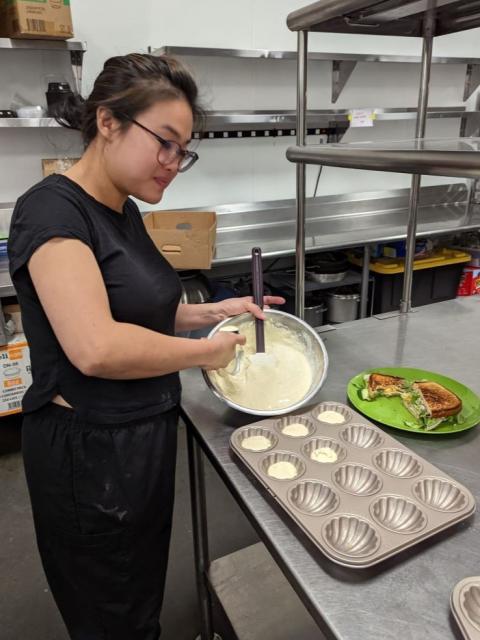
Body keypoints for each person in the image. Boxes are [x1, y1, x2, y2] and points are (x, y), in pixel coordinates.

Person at [7, 53, 284, 640]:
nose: (173, 163)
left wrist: (213, 313)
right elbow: (96, 346)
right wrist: (210, 353)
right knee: (111, 615)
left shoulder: (122, 207)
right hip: (91, 454)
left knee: (139, 595)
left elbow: (141, 311)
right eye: (165, 142)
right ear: (108, 122)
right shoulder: (53, 211)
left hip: (142, 433)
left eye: (183, 150)